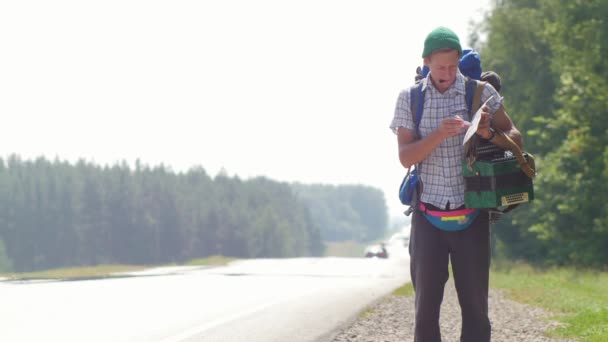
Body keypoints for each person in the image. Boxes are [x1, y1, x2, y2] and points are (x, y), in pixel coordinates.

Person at [389, 27, 524, 341]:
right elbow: (405, 158)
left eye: (453, 66)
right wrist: (438, 134)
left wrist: (489, 133)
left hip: (473, 213)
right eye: (440, 68)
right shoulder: (409, 99)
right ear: (426, 62)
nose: (447, 74)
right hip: (427, 217)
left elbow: (516, 139)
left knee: (476, 311)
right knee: (425, 314)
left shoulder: (480, 93)